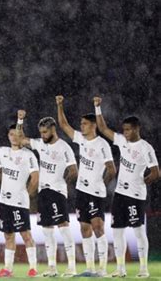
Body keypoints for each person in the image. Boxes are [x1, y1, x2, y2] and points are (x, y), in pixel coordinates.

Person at [94, 96, 159, 278]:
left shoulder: (146, 148)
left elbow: (156, 172)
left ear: (137, 129)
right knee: (117, 231)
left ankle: (144, 269)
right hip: (120, 194)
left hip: (135, 195)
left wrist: (142, 181)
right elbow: (103, 128)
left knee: (138, 231)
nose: (126, 132)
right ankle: (121, 268)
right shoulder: (122, 141)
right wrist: (97, 107)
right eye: (124, 130)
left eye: (128, 130)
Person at [56, 95, 116, 276]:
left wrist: (101, 184)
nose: (81, 126)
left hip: (95, 192)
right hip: (82, 191)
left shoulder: (102, 144)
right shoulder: (81, 139)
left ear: (93, 126)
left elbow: (111, 169)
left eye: (84, 124)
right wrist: (60, 105)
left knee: (98, 227)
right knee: (84, 228)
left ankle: (102, 269)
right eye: (81, 124)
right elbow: (64, 126)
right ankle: (90, 268)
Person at [17, 110, 78, 277]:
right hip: (43, 192)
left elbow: (73, 170)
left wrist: (62, 182)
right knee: (47, 230)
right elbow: (21, 139)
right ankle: (52, 267)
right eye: (41, 132)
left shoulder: (64, 147)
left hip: (57, 192)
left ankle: (71, 266)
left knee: (63, 227)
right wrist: (20, 120)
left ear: (53, 129)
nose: (42, 135)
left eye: (45, 132)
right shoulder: (40, 144)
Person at [0, 118, 39, 278]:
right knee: (8, 235)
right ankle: (8, 268)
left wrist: (27, 194)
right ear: (8, 136)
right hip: (4, 201)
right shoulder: (3, 152)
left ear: (22, 135)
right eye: (11, 134)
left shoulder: (29, 155)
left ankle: (33, 268)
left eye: (17, 134)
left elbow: (35, 178)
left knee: (25, 234)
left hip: (19, 201)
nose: (14, 137)